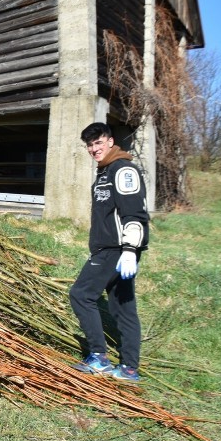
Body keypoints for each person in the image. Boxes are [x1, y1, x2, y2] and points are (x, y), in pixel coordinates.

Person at [69, 122, 149, 382]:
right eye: (90, 145)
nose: (94, 148)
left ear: (111, 142)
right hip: (113, 249)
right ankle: (128, 368)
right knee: (122, 308)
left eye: (99, 142)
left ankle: (99, 357)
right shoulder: (104, 172)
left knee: (81, 294)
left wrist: (129, 250)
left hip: (116, 250)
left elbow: (135, 213)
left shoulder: (123, 170)